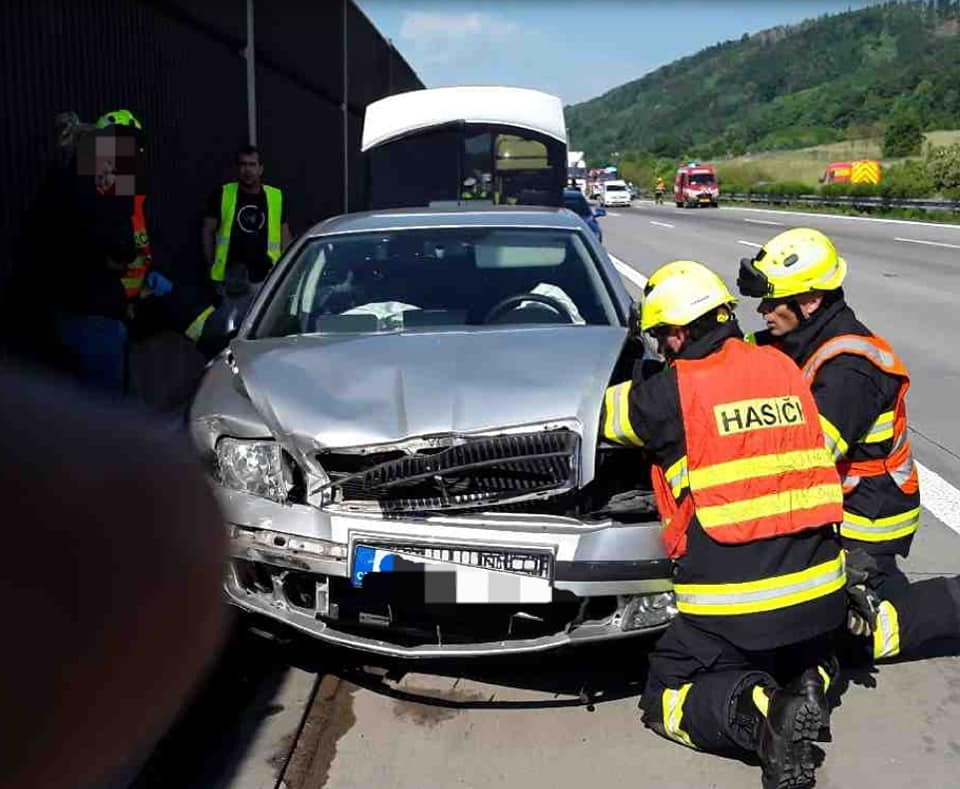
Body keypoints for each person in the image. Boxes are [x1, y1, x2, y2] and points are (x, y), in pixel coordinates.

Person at [601, 260, 847, 789]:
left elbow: (602, 415)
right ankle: (809, 679)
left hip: (734, 608)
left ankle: (763, 715)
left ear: (680, 333)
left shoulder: (672, 392)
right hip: (823, 592)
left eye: (663, 338)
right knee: (809, 647)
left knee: (665, 694)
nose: (663, 348)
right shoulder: (783, 366)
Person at [737, 227, 960, 661]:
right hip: (836, 515)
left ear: (810, 301)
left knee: (847, 636)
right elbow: (741, 354)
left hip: (864, 524)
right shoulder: (800, 339)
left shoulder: (851, 368)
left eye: (772, 302)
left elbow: (811, 456)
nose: (763, 311)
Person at [202, 145, 291, 290]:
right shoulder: (222, 193)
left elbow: (285, 235)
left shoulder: (276, 197)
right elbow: (207, 231)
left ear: (260, 169)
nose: (247, 170)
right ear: (237, 168)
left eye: (252, 165)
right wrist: (210, 266)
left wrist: (285, 272)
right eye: (243, 164)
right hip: (230, 277)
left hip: (268, 278)